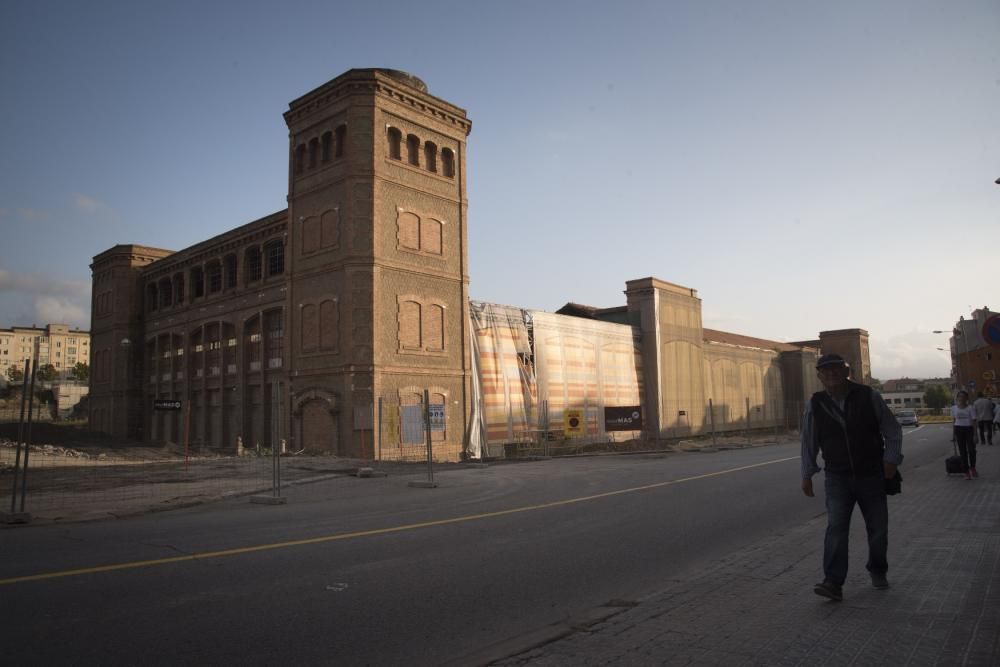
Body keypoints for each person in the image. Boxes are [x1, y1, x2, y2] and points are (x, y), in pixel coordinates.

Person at [801, 353, 903, 601]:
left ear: (846, 372)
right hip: (837, 477)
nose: (831, 374)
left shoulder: (869, 396)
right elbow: (809, 441)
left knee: (877, 528)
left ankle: (878, 570)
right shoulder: (816, 403)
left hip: (871, 474)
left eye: (836, 369)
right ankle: (833, 582)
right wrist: (807, 473)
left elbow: (892, 430)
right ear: (819, 376)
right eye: (825, 371)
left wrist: (890, 460)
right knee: (836, 528)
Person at [952, 391, 978, 479]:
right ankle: (966, 472)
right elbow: (954, 421)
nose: (962, 398)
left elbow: (974, 421)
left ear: (967, 398)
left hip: (969, 429)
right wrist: (953, 434)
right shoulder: (954, 408)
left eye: (963, 397)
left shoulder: (971, 408)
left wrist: (975, 435)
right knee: (962, 452)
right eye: (960, 396)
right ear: (957, 398)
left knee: (971, 450)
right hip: (959, 429)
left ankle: (973, 468)